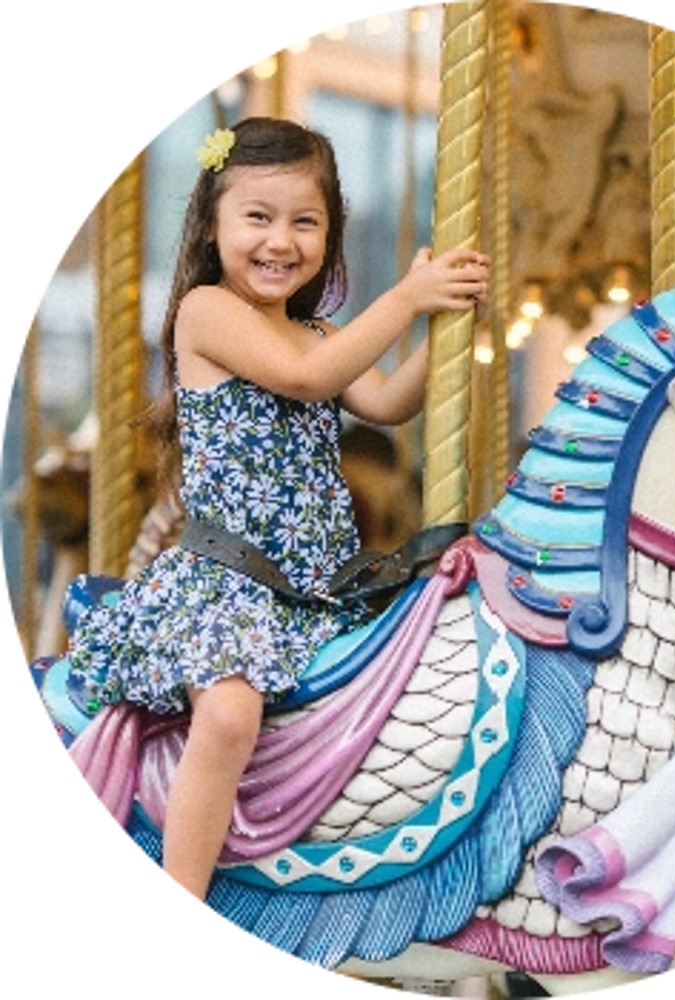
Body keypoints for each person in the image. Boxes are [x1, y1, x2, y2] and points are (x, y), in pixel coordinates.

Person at [65, 117, 489, 908]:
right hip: (226, 585)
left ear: (330, 234)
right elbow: (307, 378)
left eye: (306, 221)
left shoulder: (315, 328)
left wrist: (452, 325)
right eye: (257, 218)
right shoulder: (207, 313)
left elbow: (389, 403)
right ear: (213, 225)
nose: (280, 241)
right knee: (228, 712)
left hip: (315, 591)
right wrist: (406, 296)